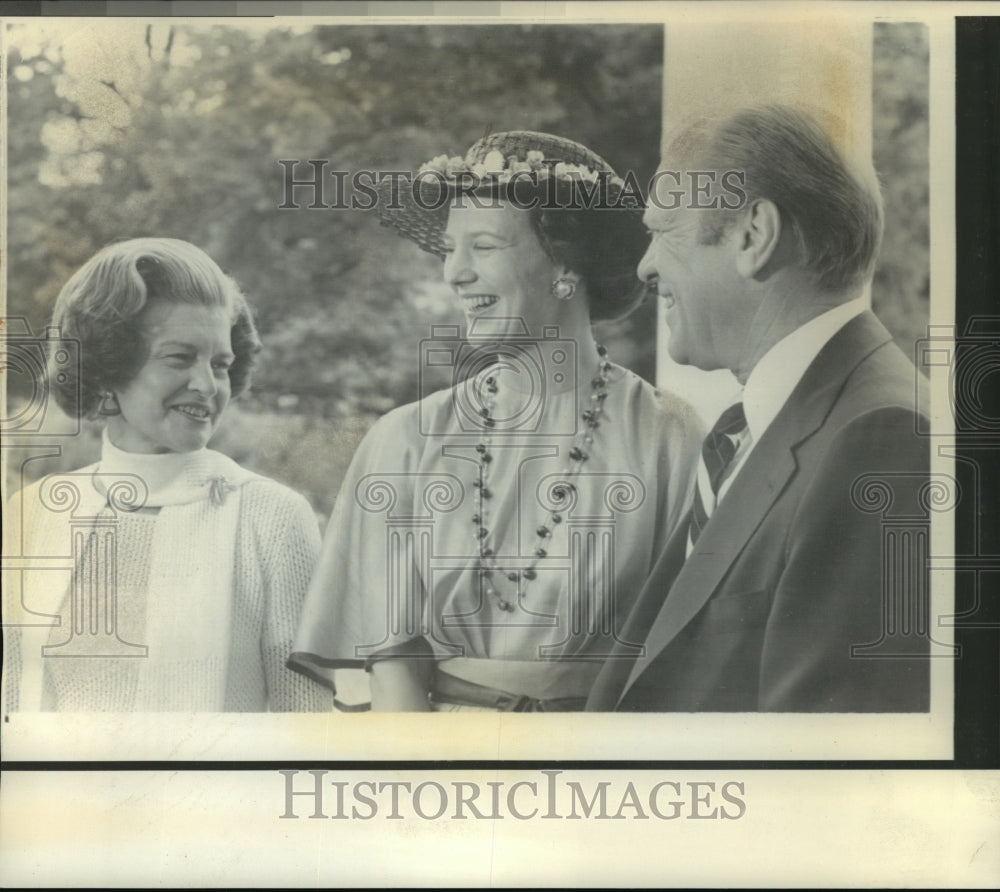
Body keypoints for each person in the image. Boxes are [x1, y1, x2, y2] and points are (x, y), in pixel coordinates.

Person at [290, 131, 701, 711]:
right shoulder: (404, 442)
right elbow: (392, 664)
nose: (453, 274)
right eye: (448, 250)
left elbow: (686, 663)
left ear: (565, 263)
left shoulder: (670, 439)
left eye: (482, 247)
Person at [586, 104, 931, 712]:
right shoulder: (747, 429)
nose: (645, 266)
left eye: (663, 231)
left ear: (753, 235)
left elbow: (821, 772)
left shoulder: (886, 438)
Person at [2, 238, 332, 712]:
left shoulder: (272, 518)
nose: (206, 385)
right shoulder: (34, 514)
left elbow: (306, 728)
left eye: (220, 365)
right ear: (109, 365)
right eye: (179, 358)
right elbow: (12, 711)